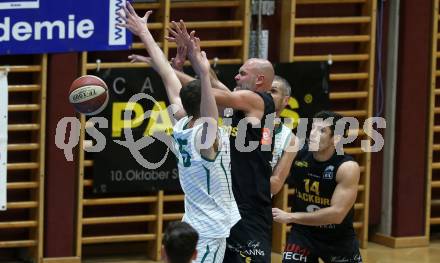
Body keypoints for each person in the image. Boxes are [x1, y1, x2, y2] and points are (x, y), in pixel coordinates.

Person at [117, 4, 240, 263]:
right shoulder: (205, 138)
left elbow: (166, 72)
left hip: (194, 221)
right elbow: (210, 111)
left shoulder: (181, 124)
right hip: (209, 229)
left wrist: (144, 33)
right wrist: (203, 73)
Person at [168, 22, 276, 262]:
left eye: (243, 73)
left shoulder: (258, 100)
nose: (237, 76)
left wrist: (168, 71)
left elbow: (206, 92)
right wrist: (192, 60)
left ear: (259, 80)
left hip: (249, 205)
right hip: (229, 205)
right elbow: (214, 85)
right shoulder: (242, 102)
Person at [272, 111, 362, 263]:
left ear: (336, 138)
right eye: (313, 128)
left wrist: (291, 217)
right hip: (303, 233)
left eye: (322, 131)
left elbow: (337, 214)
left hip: (338, 239)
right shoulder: (298, 155)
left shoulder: (347, 167)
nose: (312, 134)